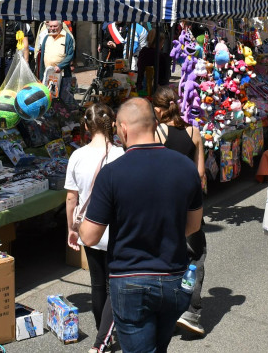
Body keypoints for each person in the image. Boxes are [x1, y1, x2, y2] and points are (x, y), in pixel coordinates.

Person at [79, 99, 203, 353]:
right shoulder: (186, 168)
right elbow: (193, 226)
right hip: (173, 278)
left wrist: (78, 224)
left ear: (123, 129)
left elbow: (90, 237)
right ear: (155, 125)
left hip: (129, 280)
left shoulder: (112, 174)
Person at [66, 103, 125, 353]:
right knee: (114, 284)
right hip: (117, 228)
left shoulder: (77, 156)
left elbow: (71, 199)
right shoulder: (122, 155)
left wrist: (72, 228)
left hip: (89, 228)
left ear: (87, 127)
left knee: (97, 283)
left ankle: (103, 332)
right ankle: (106, 335)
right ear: (112, 124)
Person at [151, 87, 207, 336]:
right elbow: (200, 174)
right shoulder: (194, 132)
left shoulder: (157, 133)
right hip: (189, 206)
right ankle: (191, 312)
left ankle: (164, 311)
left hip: (162, 207)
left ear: (157, 109)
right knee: (195, 257)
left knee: (164, 258)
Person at [37, 20, 76, 104]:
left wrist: (60, 66)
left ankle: (65, 115)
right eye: (50, 26)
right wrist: (41, 75)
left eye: (55, 26)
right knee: (49, 98)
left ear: (61, 26)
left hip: (62, 74)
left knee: (63, 99)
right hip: (48, 75)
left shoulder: (67, 37)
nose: (52, 28)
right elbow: (42, 57)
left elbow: (70, 55)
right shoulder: (46, 37)